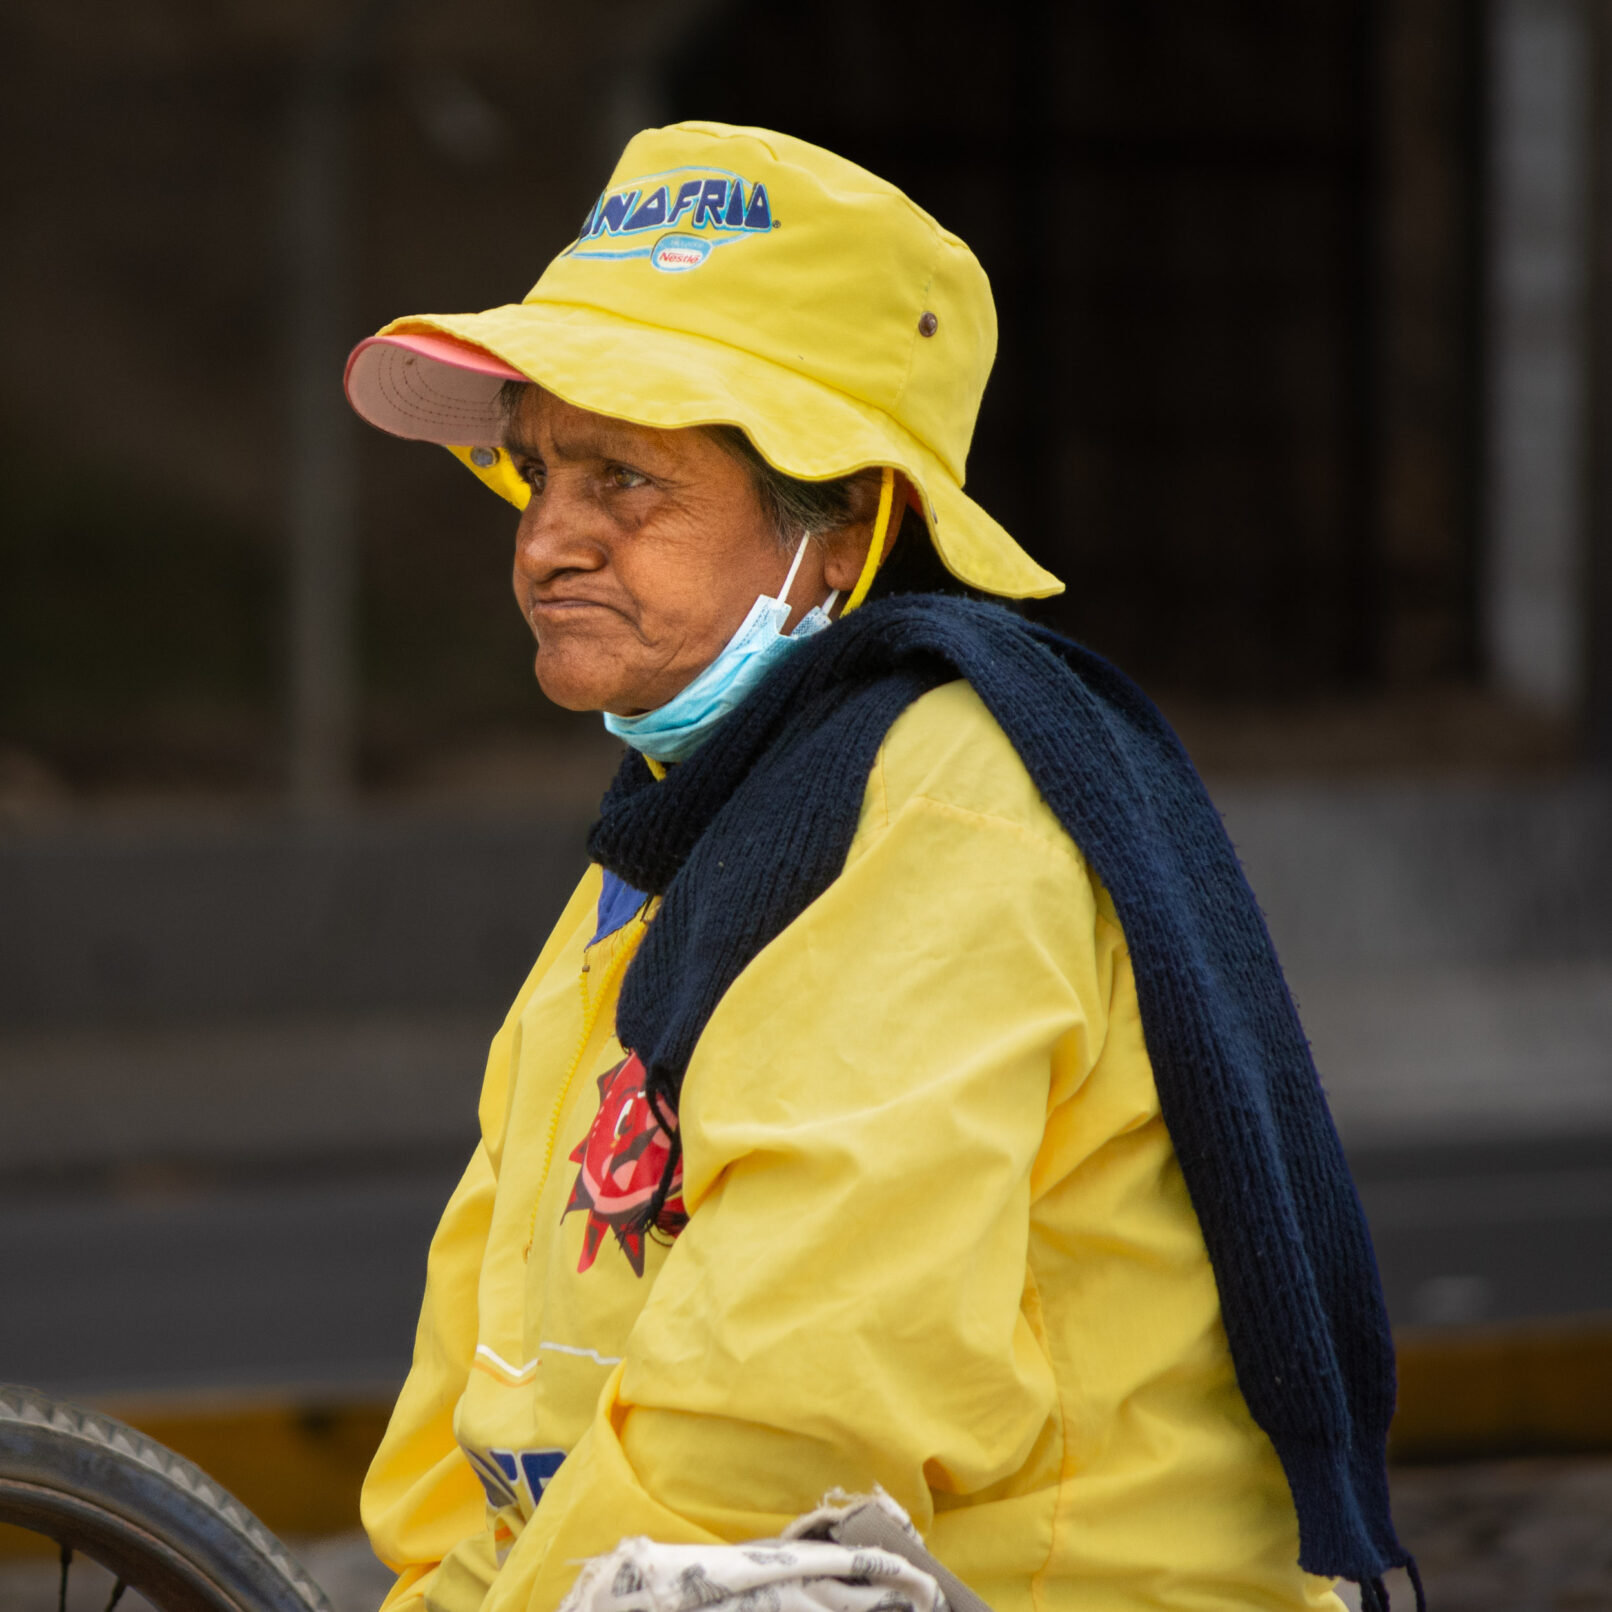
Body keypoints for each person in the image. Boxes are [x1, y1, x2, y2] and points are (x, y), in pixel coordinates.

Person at [342, 122, 1416, 1612]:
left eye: (624, 479)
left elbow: (787, 1423)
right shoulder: (676, 833)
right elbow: (476, 1419)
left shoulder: (941, 815)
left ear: (847, 519)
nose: (546, 542)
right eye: (534, 474)